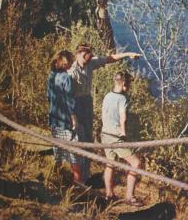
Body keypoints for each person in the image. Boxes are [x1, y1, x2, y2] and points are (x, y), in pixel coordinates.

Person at [68, 43, 140, 182]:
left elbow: (109, 58)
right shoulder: (72, 72)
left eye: (90, 54)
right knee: (78, 140)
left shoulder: (90, 63)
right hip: (76, 105)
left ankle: (85, 175)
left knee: (88, 140)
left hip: (87, 103)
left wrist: (128, 54)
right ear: (80, 54)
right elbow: (67, 95)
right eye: (86, 54)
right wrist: (72, 115)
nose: (89, 57)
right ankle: (77, 178)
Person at [101, 71, 142, 206]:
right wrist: (123, 133)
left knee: (110, 164)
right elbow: (122, 117)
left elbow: (104, 114)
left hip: (105, 134)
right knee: (136, 163)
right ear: (124, 83)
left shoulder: (107, 96)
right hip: (115, 137)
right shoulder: (122, 98)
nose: (130, 86)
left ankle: (109, 194)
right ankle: (129, 196)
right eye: (129, 83)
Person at [47, 50, 82, 183]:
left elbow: (49, 97)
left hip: (54, 119)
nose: (72, 64)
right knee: (74, 153)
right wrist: (74, 118)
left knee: (58, 151)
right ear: (66, 62)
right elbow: (69, 101)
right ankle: (78, 183)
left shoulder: (51, 75)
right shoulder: (66, 78)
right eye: (71, 61)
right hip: (66, 121)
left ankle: (54, 178)